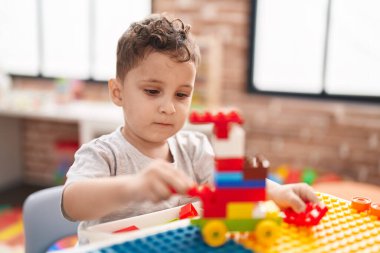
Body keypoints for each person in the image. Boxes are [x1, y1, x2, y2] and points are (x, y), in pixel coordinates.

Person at [62, 13, 319, 243]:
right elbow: (72, 204)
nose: (169, 108)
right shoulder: (103, 154)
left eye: (182, 95)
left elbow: (231, 180)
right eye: (152, 91)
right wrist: (134, 186)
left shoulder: (194, 148)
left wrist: (278, 191)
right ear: (118, 92)